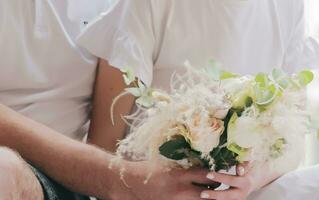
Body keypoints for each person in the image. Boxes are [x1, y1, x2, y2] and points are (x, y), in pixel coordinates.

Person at [77, 0, 319, 199]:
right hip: (161, 193)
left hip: (255, 191)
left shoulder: (288, 5)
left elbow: (293, 145)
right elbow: (103, 149)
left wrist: (250, 180)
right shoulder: (146, 5)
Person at [0, 1, 213, 199]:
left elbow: (110, 132)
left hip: (76, 180)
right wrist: (117, 180)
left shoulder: (127, 8)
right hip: (33, 168)